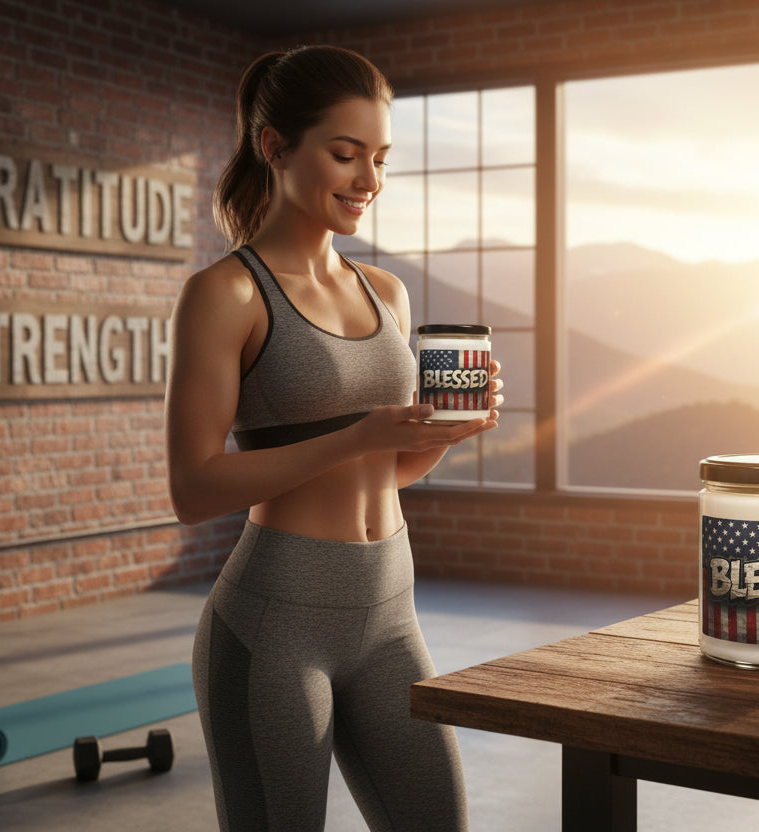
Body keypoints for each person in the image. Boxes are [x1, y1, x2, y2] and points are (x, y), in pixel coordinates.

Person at [164, 45, 501, 832]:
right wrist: (356, 437)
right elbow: (194, 489)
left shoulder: (386, 292)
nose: (368, 181)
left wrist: (449, 432)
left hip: (389, 614)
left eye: (379, 158)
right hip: (273, 625)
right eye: (346, 154)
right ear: (274, 146)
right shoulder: (225, 294)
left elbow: (391, 471)